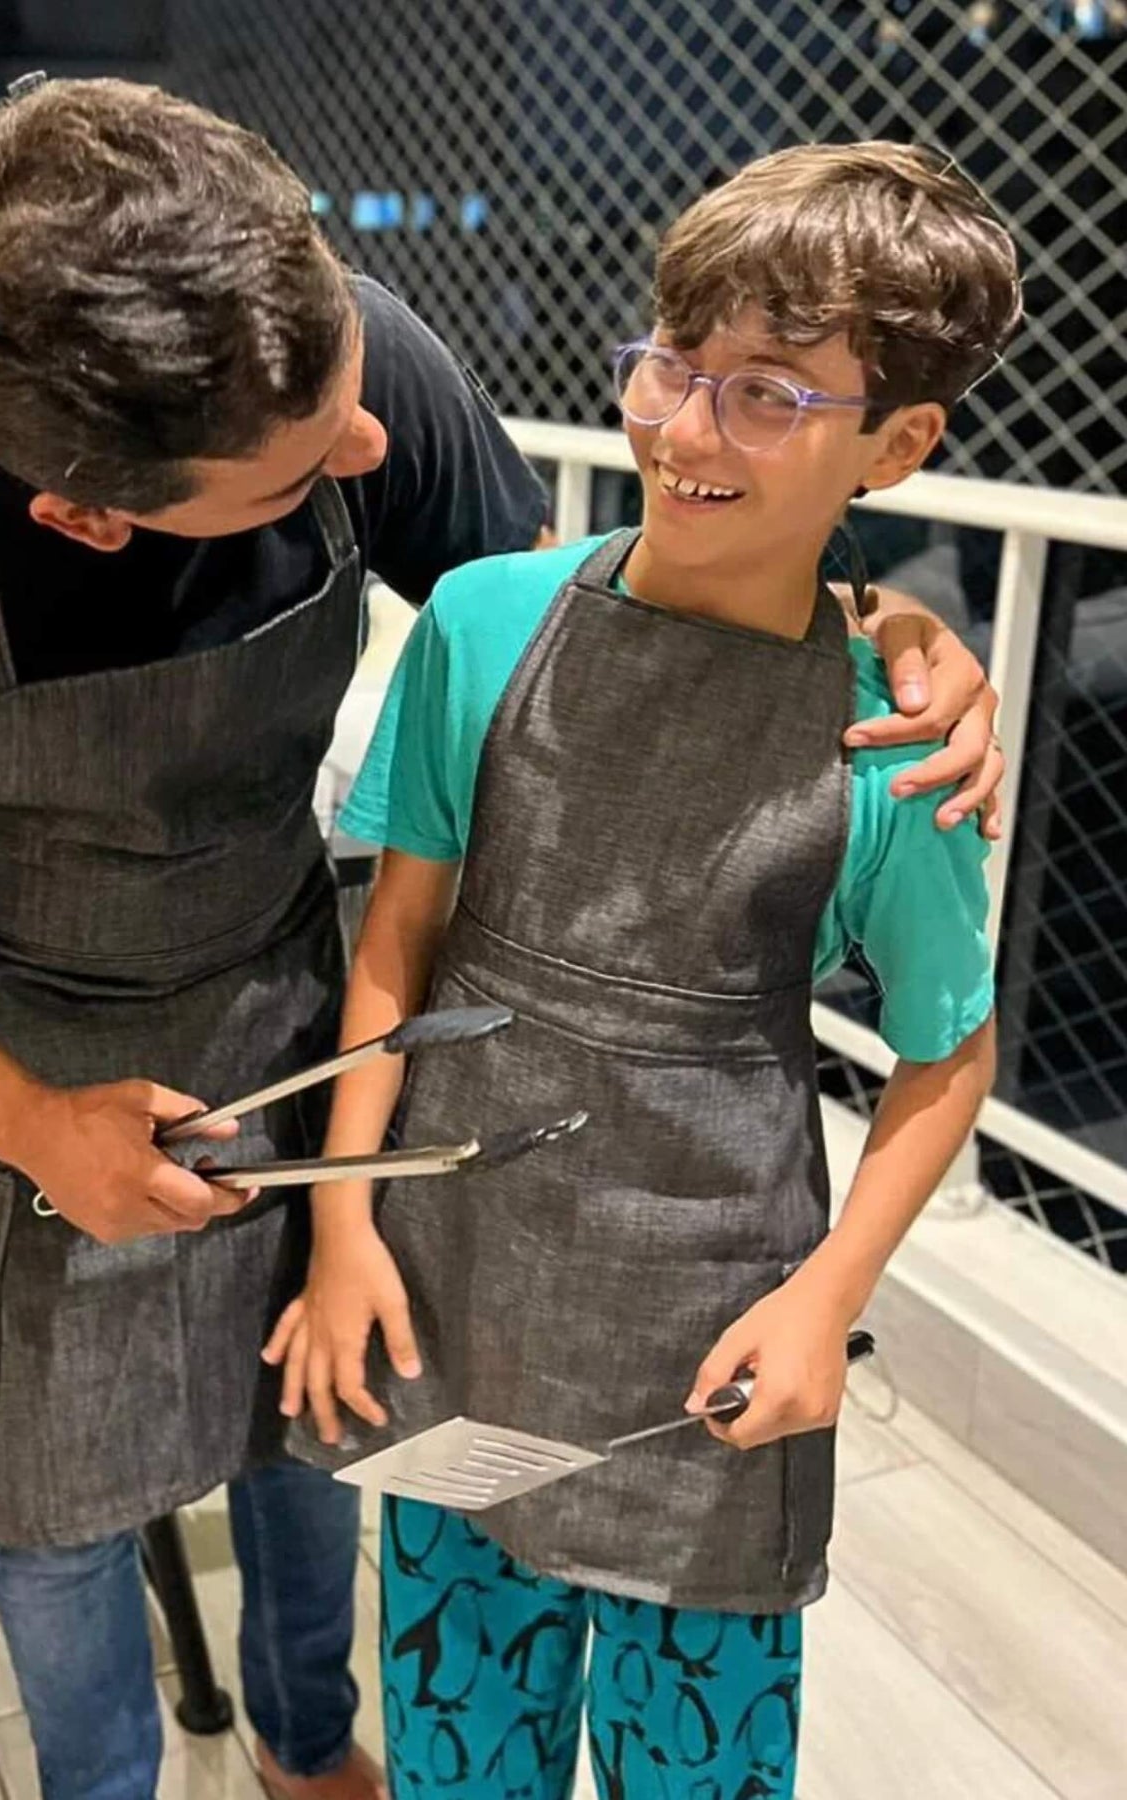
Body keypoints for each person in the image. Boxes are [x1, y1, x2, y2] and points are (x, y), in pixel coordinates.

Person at [0, 74, 1002, 1800]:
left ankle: (314, 1744)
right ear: (93, 513)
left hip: (291, 993)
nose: (370, 453)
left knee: (311, 1427)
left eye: (352, 399)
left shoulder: (317, 350)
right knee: (56, 1494)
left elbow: (605, 662)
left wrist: (881, 626)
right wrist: (27, 1122)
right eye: (306, 474)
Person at [263, 142, 1016, 1800]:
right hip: (453, 1277)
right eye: (675, 364)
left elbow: (945, 1054)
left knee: (701, 1765)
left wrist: (827, 1304)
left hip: (710, 1331)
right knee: (463, 1747)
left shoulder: (895, 747)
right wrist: (339, 1226)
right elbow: (394, 939)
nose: (684, 430)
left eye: (770, 394)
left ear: (896, 441)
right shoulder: (483, 619)